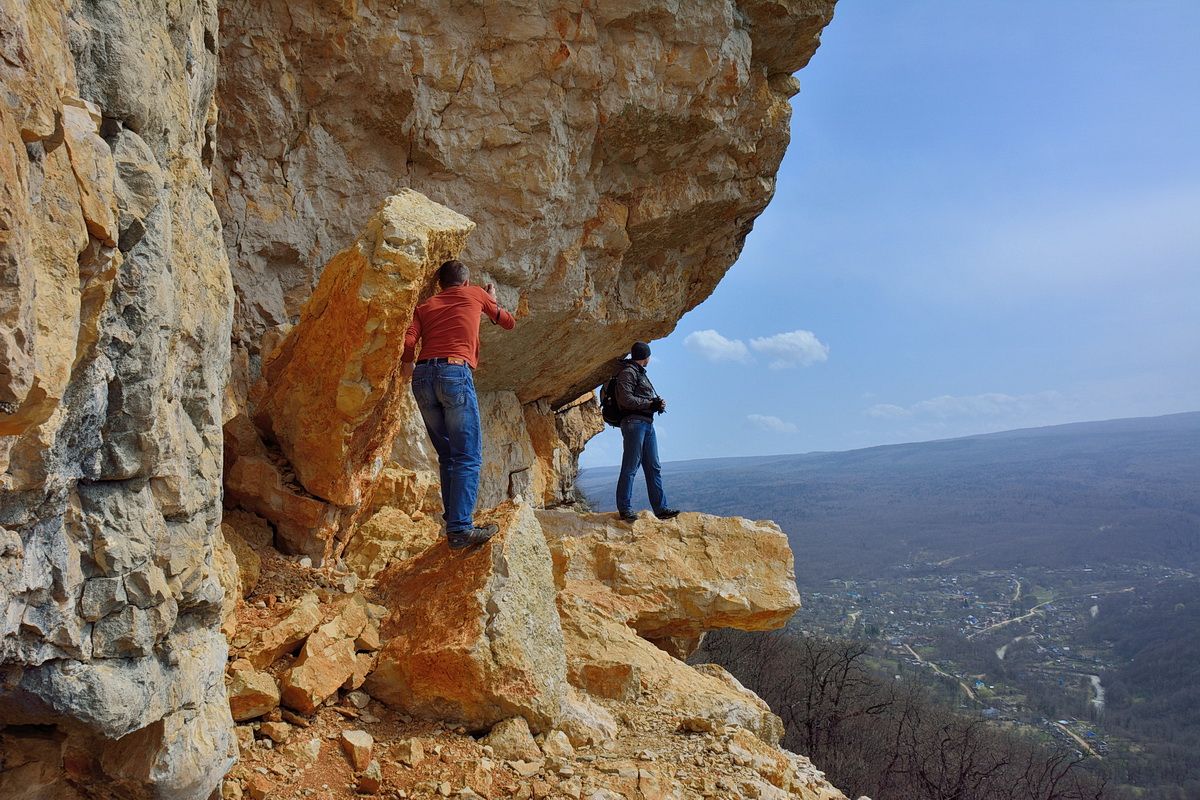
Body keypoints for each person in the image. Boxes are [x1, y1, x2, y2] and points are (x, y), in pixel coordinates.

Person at [401, 259, 515, 548]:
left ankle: (453, 521)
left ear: (439, 285)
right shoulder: (475, 293)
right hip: (454, 373)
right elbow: (508, 322)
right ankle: (461, 529)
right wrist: (491, 299)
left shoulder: (424, 307)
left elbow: (409, 340)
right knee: (467, 455)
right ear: (464, 282)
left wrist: (406, 364)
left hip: (423, 376)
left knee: (448, 454)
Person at [613, 341, 680, 523]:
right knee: (631, 466)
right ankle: (625, 508)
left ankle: (661, 509)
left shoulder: (639, 373)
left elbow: (638, 397)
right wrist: (650, 404)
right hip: (634, 423)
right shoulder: (628, 372)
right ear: (646, 356)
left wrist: (656, 404)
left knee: (653, 467)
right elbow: (625, 399)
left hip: (646, 423)